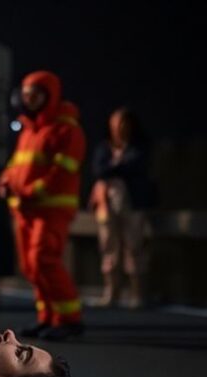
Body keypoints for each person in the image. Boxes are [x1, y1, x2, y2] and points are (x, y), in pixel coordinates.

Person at [0, 71, 86, 341]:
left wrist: (27, 191)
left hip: (50, 209)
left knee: (44, 260)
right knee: (30, 266)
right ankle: (47, 317)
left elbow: (61, 172)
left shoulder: (67, 130)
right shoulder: (29, 129)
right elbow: (17, 164)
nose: (29, 99)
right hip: (25, 209)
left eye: (35, 94)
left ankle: (69, 319)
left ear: (49, 96)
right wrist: (5, 180)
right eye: (25, 94)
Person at [89, 107, 155, 308]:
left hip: (133, 203)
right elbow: (98, 170)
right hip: (107, 205)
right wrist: (117, 167)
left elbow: (136, 166)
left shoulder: (140, 146)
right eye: (115, 123)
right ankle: (111, 293)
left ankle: (137, 294)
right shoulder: (103, 148)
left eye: (123, 123)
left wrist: (113, 168)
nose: (119, 127)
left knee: (134, 247)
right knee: (109, 247)